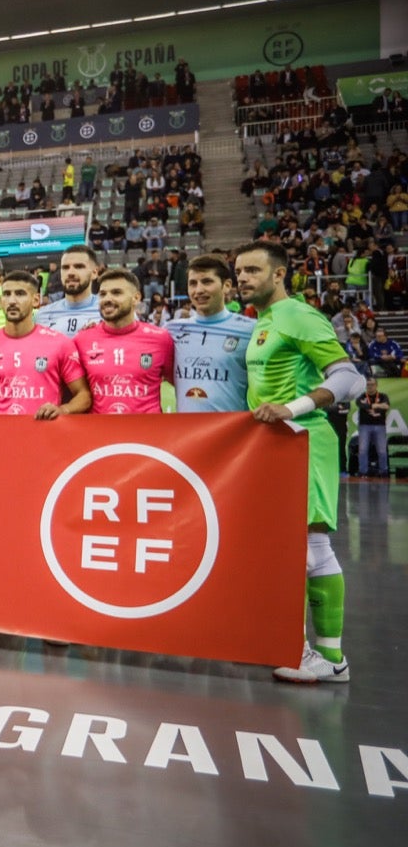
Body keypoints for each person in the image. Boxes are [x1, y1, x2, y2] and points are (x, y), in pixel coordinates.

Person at [236, 239, 365, 683]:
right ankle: (311, 651)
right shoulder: (264, 321)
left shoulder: (299, 315)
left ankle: (330, 659)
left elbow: (351, 377)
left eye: (253, 270)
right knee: (291, 550)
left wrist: (290, 409)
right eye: (239, 272)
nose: (243, 279)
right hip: (277, 448)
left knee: (311, 549)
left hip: (306, 442)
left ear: (279, 274)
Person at [0, 271, 91, 418]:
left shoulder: (60, 344)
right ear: (0, 302)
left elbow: (84, 395)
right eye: (7, 294)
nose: (12, 301)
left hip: (45, 435)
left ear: (36, 300)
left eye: (20, 294)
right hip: (0, 437)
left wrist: (63, 410)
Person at [75, 269, 175, 414]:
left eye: (116, 292)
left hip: (147, 433)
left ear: (136, 298)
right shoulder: (82, 339)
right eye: (103, 294)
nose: (107, 298)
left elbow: (179, 383)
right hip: (100, 433)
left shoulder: (160, 339)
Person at [167, 256, 253, 413]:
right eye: (193, 283)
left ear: (226, 285)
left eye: (207, 282)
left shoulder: (250, 330)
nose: (199, 290)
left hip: (233, 433)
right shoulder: (171, 331)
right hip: (187, 433)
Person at [34, 244, 103, 337]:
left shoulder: (108, 312)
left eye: (79, 267)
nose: (70, 273)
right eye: (65, 267)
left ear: (94, 273)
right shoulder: (43, 315)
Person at [355, 378, 391, 478]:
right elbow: (360, 404)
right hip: (364, 426)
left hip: (380, 426)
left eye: (372, 384)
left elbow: (386, 406)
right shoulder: (362, 396)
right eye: (368, 385)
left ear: (376, 385)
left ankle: (384, 472)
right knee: (362, 450)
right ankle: (363, 472)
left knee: (382, 450)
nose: (370, 387)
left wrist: (370, 406)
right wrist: (377, 406)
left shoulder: (383, 396)